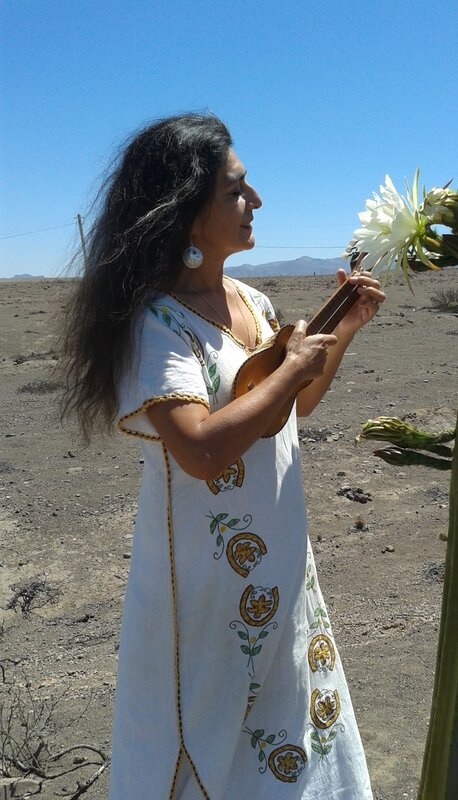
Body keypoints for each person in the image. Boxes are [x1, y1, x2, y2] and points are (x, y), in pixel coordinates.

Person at [61, 113, 385, 799]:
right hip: (204, 591)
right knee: (207, 736)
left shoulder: (251, 300)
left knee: (288, 725)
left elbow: (285, 411)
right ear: (185, 211)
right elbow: (202, 451)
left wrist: (342, 331)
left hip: (279, 563)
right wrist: (293, 367)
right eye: (236, 190)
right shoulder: (157, 324)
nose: (256, 201)